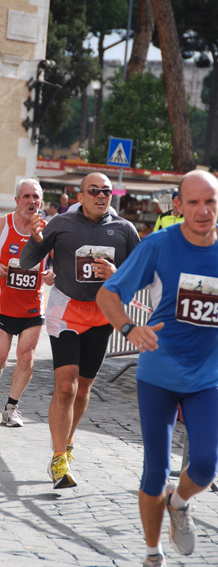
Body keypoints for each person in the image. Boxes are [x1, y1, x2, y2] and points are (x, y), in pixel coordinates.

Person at [96, 170, 218, 567]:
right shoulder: (160, 245)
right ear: (178, 206)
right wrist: (129, 328)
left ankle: (178, 503)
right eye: (194, 202)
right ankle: (153, 555)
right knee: (155, 470)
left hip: (207, 378)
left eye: (211, 201)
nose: (203, 210)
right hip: (159, 375)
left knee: (204, 464)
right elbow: (109, 292)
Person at [20, 173, 140, 488]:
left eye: (107, 191)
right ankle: (59, 460)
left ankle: (68, 442)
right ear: (80, 195)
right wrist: (35, 240)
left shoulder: (124, 230)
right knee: (66, 387)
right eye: (94, 191)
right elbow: (27, 260)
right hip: (65, 312)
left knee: (84, 389)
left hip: (101, 315)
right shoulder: (61, 223)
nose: (101, 196)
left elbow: (139, 276)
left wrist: (117, 273)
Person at [0, 179, 55, 428]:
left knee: (26, 356)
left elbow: (60, 263)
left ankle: (11, 407)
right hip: (3, 306)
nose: (31, 201)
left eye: (36, 197)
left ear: (41, 202)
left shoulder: (49, 230)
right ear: (17, 200)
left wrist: (53, 275)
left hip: (33, 306)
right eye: (26, 196)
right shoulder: (1, 225)